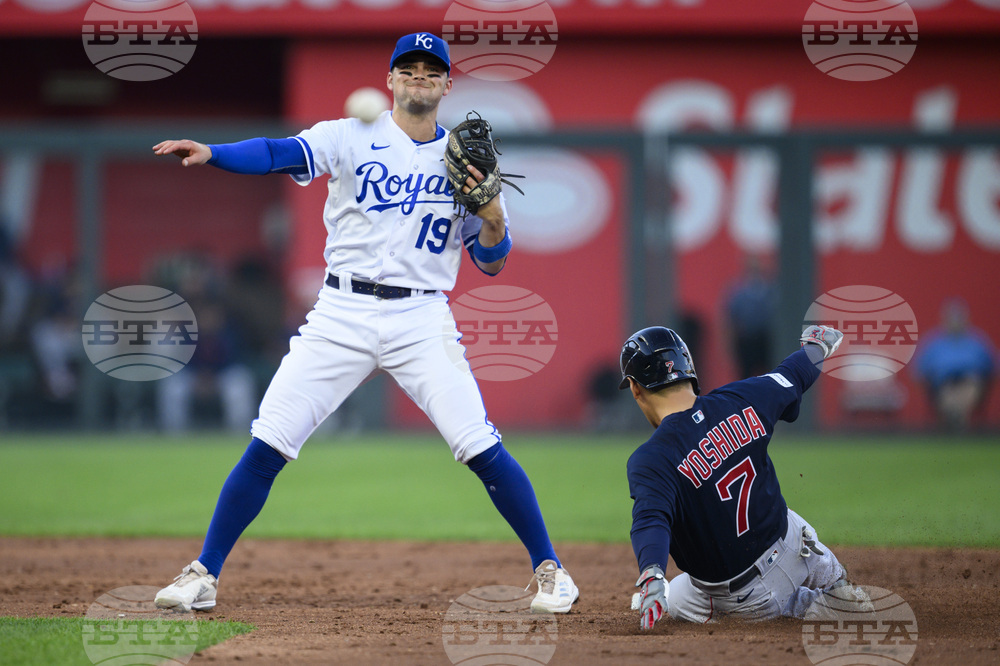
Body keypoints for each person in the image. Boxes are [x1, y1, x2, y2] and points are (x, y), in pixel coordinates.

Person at [150, 32, 578, 614]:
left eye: (433, 69)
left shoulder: (467, 161)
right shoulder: (348, 136)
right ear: (391, 80)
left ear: (448, 84)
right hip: (341, 313)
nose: (421, 75)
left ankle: (551, 569)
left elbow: (491, 261)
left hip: (423, 315)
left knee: (478, 444)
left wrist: (497, 217)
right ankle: (203, 573)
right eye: (410, 67)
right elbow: (278, 152)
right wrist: (215, 152)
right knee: (269, 439)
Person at [620, 324, 870, 629]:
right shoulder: (742, 398)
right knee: (688, 587)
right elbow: (794, 373)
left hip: (749, 597)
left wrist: (652, 573)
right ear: (690, 370)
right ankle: (835, 581)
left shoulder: (652, 457)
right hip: (797, 547)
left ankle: (815, 606)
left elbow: (651, 518)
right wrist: (817, 347)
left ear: (635, 388)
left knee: (679, 596)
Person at [913, 298, 996, 430]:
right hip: (943, 382)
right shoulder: (933, 342)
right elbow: (919, 370)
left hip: (971, 380)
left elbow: (992, 367)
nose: (955, 322)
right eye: (952, 318)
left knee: (970, 384)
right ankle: (956, 419)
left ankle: (958, 418)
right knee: (948, 390)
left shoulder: (978, 341)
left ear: (966, 319)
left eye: (959, 318)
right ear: (944, 319)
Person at [724, 255, 776, 379]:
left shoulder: (770, 289)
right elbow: (730, 319)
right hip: (746, 341)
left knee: (770, 376)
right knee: (745, 376)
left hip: (766, 340)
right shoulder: (738, 291)